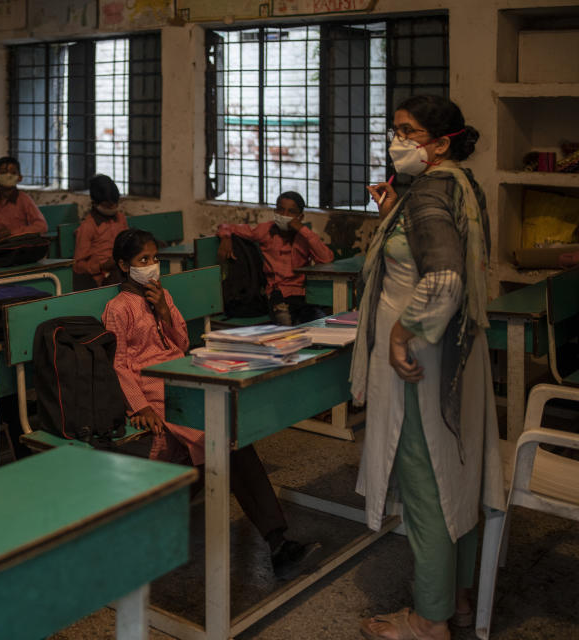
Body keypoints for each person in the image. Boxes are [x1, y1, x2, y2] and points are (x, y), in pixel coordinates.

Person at [353, 95, 504, 640]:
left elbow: (443, 279)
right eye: (394, 129)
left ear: (441, 142)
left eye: (409, 131)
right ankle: (460, 598)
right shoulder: (458, 184)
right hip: (455, 352)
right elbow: (432, 253)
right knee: (456, 474)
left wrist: (400, 333)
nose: (398, 140)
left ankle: (428, 619)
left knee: (426, 485)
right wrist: (394, 212)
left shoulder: (430, 194)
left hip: (422, 357)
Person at [102, 228, 318, 578]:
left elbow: (182, 340)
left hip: (183, 372)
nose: (152, 267)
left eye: (155, 259)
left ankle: (274, 540)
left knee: (224, 438)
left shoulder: (162, 295)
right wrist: (139, 406)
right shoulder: (117, 308)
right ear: (124, 265)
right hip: (154, 385)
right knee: (219, 440)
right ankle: (276, 540)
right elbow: (120, 363)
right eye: (143, 261)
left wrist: (163, 309)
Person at [217, 191, 334, 325]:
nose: (284, 215)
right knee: (286, 329)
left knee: (320, 323)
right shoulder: (266, 230)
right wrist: (226, 238)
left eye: (291, 212)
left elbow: (326, 259)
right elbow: (227, 226)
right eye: (280, 210)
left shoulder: (304, 236)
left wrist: (303, 230)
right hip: (277, 295)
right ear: (275, 211)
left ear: (300, 217)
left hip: (303, 296)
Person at [0, 156, 47, 247]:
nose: (8, 175)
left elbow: (41, 226)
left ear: (19, 178)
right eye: (3, 172)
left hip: (16, 246)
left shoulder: (24, 200)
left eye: (13, 172)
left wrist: (13, 232)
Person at [72, 174, 129, 290]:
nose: (113, 207)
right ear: (95, 203)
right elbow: (78, 266)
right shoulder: (88, 226)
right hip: (101, 279)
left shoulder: (120, 219)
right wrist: (101, 266)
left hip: (123, 268)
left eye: (115, 204)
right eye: (108, 205)